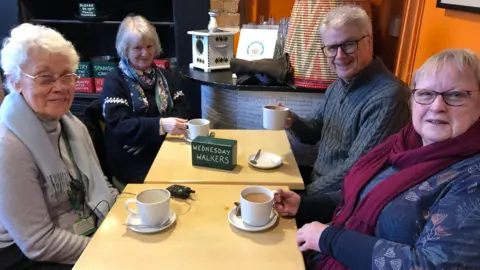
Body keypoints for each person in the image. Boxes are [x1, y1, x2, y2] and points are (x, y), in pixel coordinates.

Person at [274, 48, 480, 269]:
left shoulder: (471, 179)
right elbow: (360, 195)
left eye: (456, 95)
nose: (437, 106)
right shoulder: (403, 143)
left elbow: (430, 265)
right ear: (413, 100)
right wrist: (305, 206)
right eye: (426, 94)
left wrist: (329, 239)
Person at [0, 23, 117, 269]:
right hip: (26, 255)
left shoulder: (73, 125)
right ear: (16, 81)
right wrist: (110, 252)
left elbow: (102, 186)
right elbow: (38, 242)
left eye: (67, 76)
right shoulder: (7, 146)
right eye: (45, 78)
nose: (60, 87)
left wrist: (131, 216)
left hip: (80, 229)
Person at [283, 5, 410, 195]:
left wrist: (304, 196)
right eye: (332, 48)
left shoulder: (389, 97)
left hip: (342, 200)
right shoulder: (339, 85)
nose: (340, 56)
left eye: (349, 44)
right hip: (318, 183)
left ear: (369, 41)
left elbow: (357, 171)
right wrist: (291, 119)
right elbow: (314, 132)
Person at [101, 14, 190, 186]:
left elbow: (183, 112)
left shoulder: (167, 76)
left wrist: (146, 138)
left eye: (150, 46)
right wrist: (162, 126)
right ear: (125, 49)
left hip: (162, 149)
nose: (145, 53)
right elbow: (121, 127)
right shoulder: (114, 81)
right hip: (131, 160)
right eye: (137, 48)